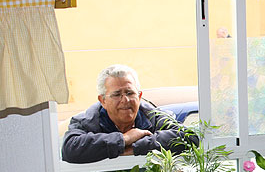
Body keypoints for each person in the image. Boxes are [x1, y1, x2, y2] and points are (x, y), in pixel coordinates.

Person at [61, 64, 196, 163]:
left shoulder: (151, 115)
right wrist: (124, 139)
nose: (125, 100)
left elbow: (189, 137)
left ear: (139, 96)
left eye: (130, 93)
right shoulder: (87, 121)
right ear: (103, 100)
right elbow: (70, 149)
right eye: (117, 94)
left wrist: (136, 147)